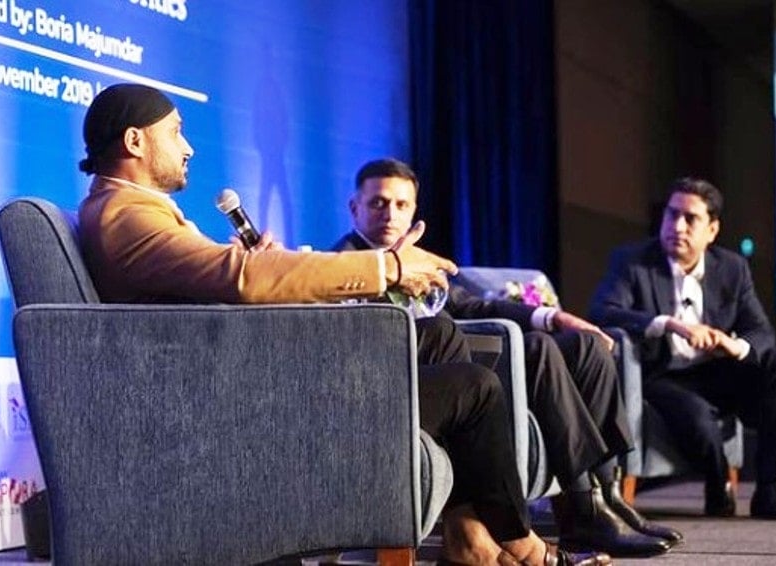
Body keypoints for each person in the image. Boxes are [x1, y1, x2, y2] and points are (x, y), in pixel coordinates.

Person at [76, 83, 610, 566]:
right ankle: (524, 548)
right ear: (135, 141)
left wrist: (264, 268)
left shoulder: (131, 210)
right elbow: (239, 280)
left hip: (246, 382)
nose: (188, 146)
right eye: (176, 132)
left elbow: (220, 288)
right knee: (475, 387)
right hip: (249, 408)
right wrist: (389, 267)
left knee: (437, 333)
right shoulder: (128, 215)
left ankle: (468, 537)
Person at [332, 158, 681, 558]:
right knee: (536, 347)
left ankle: (605, 493)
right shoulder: (340, 266)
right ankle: (582, 506)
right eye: (378, 203)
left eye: (401, 205)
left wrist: (554, 316)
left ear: (414, 210)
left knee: (582, 345)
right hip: (423, 375)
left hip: (462, 358)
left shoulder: (421, 260)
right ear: (354, 207)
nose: (390, 214)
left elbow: (472, 306)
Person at [589, 176, 776, 519]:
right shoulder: (632, 261)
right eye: (671, 215)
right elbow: (603, 311)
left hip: (717, 369)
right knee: (698, 420)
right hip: (663, 374)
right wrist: (667, 323)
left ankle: (770, 490)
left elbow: (761, 332)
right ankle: (717, 479)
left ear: (712, 230)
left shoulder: (732, 268)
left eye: (690, 218)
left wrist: (732, 345)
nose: (677, 226)